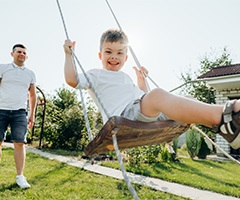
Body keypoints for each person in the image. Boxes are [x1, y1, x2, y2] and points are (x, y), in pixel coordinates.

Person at [63, 28, 240, 150]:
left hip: (137, 111)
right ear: (100, 55)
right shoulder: (96, 75)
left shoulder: (125, 78)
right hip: (122, 117)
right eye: (109, 52)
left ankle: (225, 127)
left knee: (189, 98)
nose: (114, 57)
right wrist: (69, 55)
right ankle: (227, 113)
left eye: (120, 53)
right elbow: (72, 80)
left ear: (126, 57)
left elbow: (143, 98)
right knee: (157, 95)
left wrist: (140, 80)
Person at [0, 44, 37, 188]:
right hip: (1, 109)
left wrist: (32, 114)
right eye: (18, 52)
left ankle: (20, 177)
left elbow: (32, 95)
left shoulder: (30, 73)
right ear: (12, 54)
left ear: (26, 56)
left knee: (20, 143)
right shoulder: (3, 68)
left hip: (20, 112)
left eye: (24, 52)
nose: (21, 54)